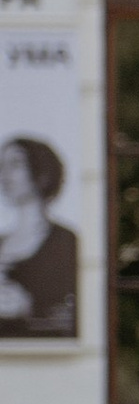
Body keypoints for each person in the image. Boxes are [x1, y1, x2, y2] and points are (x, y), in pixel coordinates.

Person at [0, 136, 77, 340]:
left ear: (40, 170)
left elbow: (74, 316)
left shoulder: (66, 242)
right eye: (2, 165)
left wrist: (29, 309)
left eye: (15, 164)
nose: (4, 174)